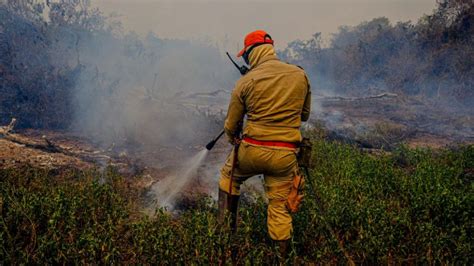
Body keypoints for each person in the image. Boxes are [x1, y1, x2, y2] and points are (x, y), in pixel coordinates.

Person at [217, 30, 311, 257]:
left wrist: (234, 139)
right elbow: (305, 115)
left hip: (251, 151)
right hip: (285, 156)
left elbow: (231, 125)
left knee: (228, 179)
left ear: (251, 53)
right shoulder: (300, 75)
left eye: (246, 55)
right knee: (280, 208)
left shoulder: (245, 81)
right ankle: (283, 258)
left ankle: (225, 244)